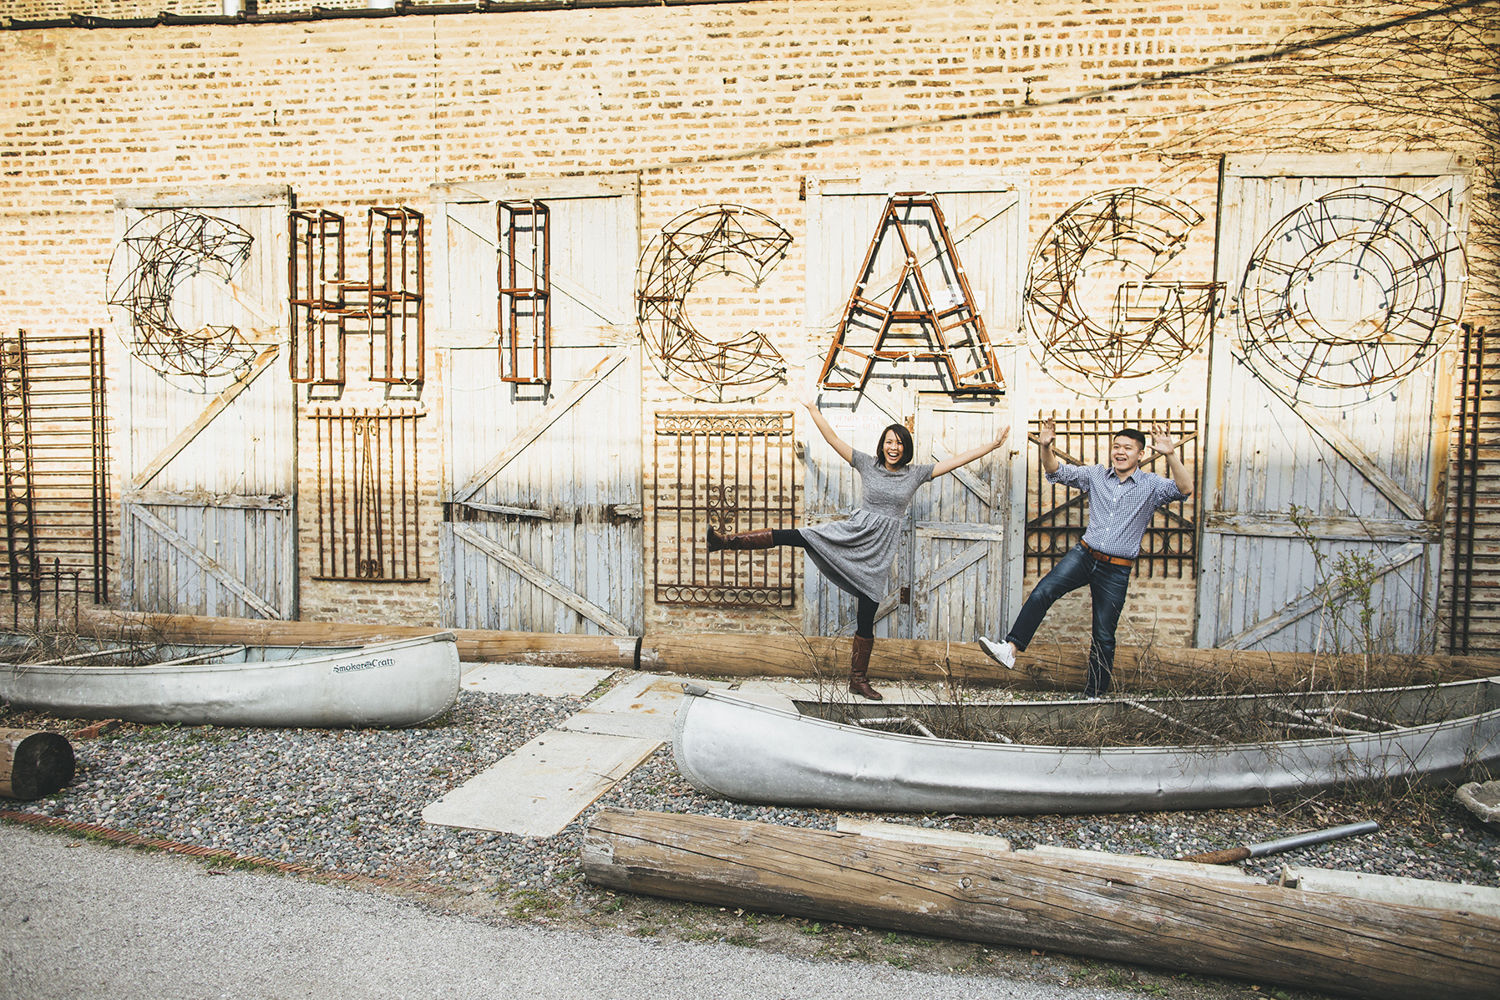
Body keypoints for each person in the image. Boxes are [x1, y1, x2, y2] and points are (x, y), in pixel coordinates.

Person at [709, 387, 1010, 700]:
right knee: (799, 535)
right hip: (855, 532)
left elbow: (957, 461)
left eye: (899, 443)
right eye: (889, 442)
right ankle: (723, 542)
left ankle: (858, 678)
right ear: (882, 445)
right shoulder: (868, 464)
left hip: (879, 550)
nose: (893, 448)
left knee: (867, 612)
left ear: (906, 448)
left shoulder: (916, 474)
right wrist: (813, 409)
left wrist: (993, 444)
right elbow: (833, 440)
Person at [977, 416, 1192, 699]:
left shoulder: (1150, 485)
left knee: (1104, 635)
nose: (1120, 452)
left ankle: (1093, 696)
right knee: (1043, 591)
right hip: (1084, 554)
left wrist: (1171, 454)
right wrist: (1045, 447)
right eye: (1116, 446)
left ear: (1140, 454)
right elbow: (1056, 472)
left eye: (1128, 448)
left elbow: (1184, 489)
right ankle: (1011, 648)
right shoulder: (1097, 476)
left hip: (1116, 569)